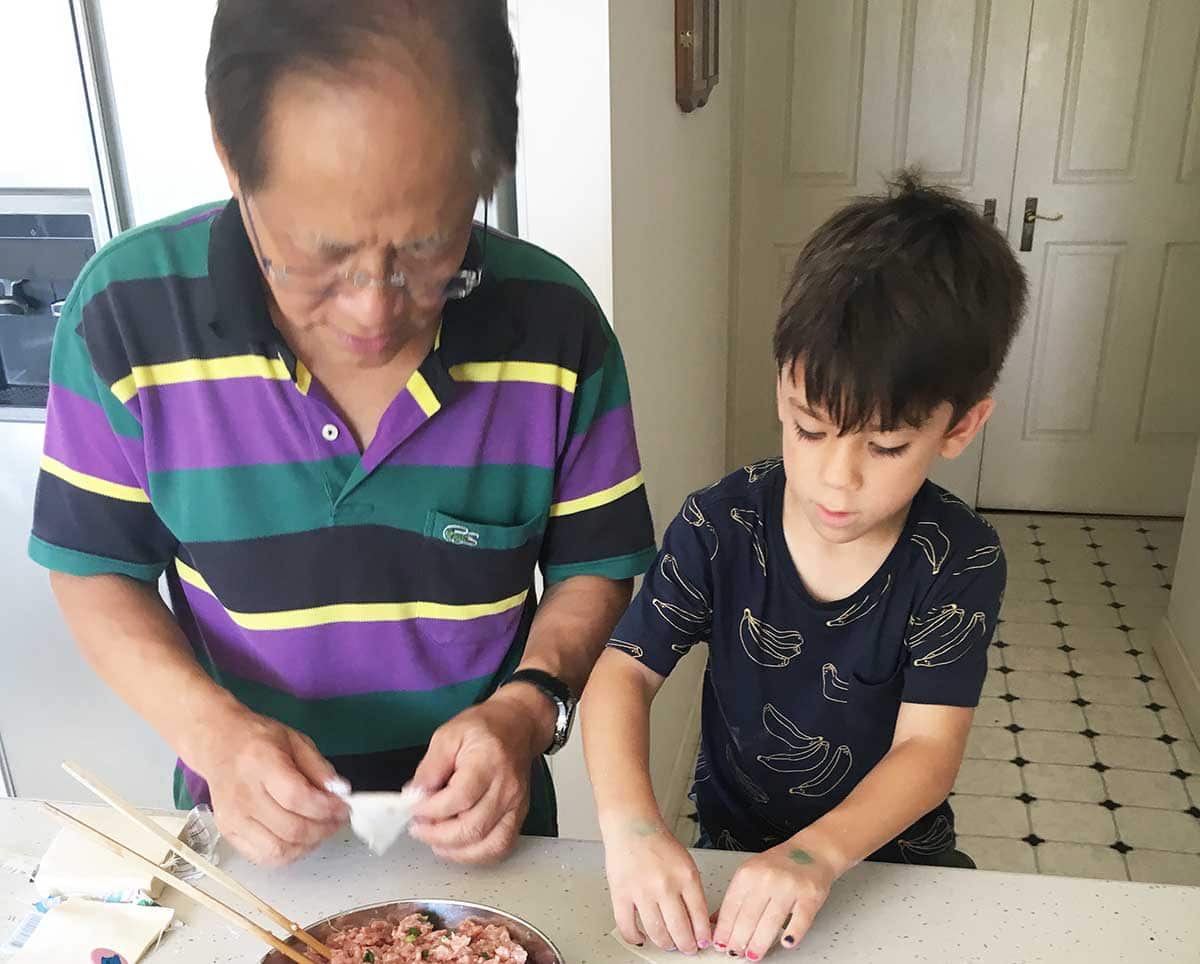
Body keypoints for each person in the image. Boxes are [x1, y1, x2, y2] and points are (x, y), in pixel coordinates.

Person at [30, 0, 655, 868]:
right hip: (250, 839)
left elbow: (595, 565)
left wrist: (527, 708)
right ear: (230, 156)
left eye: (429, 245)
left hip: (488, 839)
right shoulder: (126, 318)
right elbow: (95, 570)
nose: (374, 306)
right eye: (321, 254)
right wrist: (213, 735)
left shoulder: (555, 328)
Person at [582, 173, 1027, 958]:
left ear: (961, 426)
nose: (836, 478)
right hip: (732, 861)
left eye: (886, 446)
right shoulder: (720, 525)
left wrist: (817, 856)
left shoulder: (958, 559)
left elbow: (929, 751)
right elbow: (623, 673)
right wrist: (631, 831)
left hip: (886, 866)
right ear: (781, 386)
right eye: (809, 428)